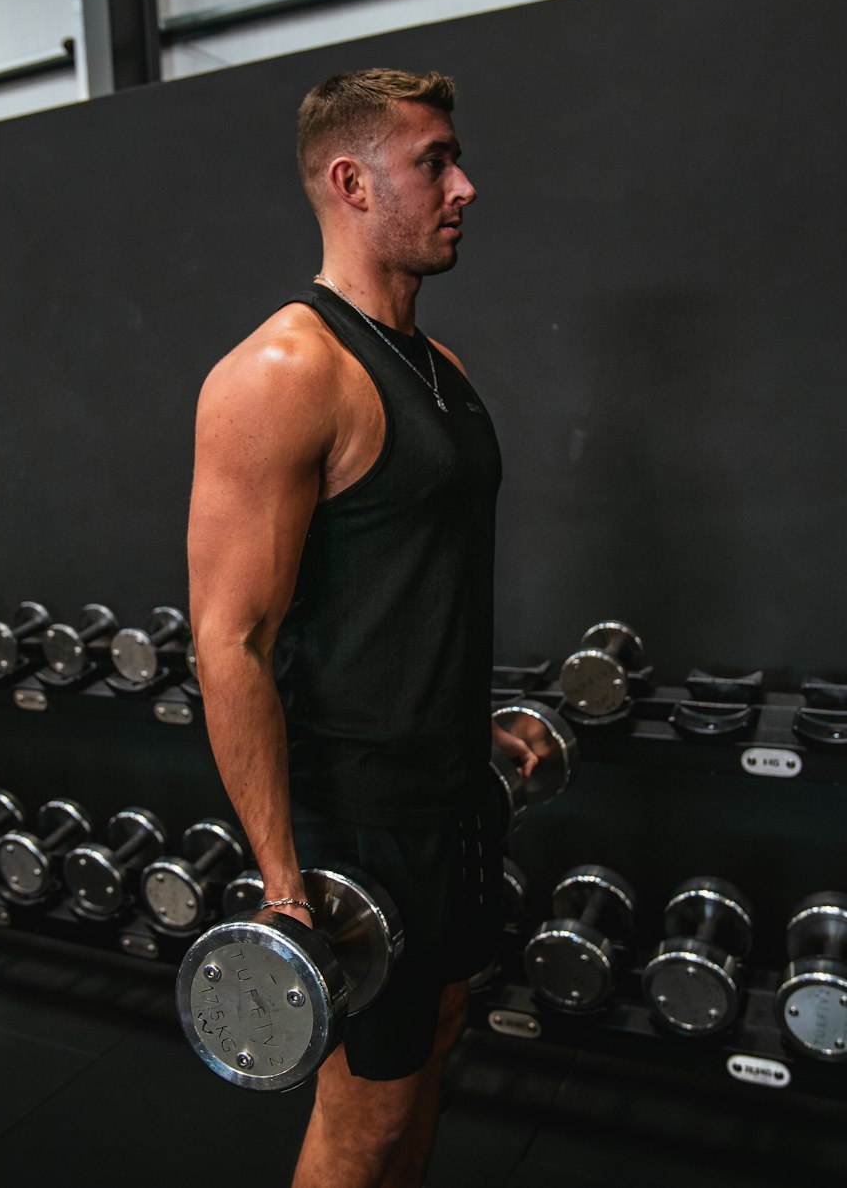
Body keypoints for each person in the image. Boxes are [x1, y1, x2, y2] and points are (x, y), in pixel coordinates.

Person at [188, 68, 541, 1188]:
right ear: (350, 181)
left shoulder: (441, 373)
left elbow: (411, 593)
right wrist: (286, 881)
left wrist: (476, 733)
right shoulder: (287, 371)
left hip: (447, 799)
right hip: (356, 820)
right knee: (364, 1120)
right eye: (434, 161)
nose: (464, 186)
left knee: (433, 1050)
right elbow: (228, 638)